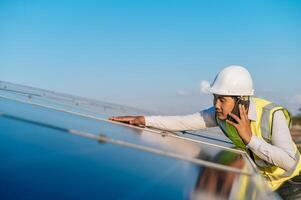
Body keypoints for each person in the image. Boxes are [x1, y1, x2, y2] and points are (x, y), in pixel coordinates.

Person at [109, 65, 301, 199]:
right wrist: (144, 120)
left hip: (291, 184)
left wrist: (249, 138)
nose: (216, 105)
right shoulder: (219, 114)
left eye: (222, 100)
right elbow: (184, 121)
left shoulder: (272, 115)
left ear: (242, 99)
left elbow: (289, 163)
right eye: (215, 98)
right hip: (262, 183)